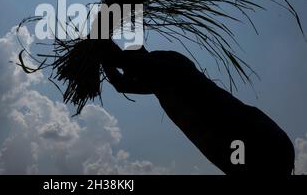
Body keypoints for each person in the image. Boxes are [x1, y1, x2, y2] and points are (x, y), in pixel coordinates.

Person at [101, 42, 295, 175]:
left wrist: (98, 41)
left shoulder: (170, 66)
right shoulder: (158, 83)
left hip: (252, 135)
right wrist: (101, 55)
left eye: (134, 72)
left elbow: (124, 61)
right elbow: (121, 84)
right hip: (244, 140)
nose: (134, 77)